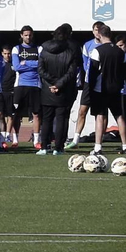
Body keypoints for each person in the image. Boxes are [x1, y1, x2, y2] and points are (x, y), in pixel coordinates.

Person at [36, 23, 81, 155]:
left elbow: (40, 70)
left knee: (47, 119)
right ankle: (58, 148)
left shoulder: (44, 51)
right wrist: (59, 84)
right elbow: (72, 72)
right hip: (64, 89)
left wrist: (53, 83)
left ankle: (44, 146)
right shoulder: (71, 51)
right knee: (62, 118)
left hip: (47, 88)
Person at [85, 24, 126, 156]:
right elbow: (124, 70)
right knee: (119, 117)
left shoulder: (97, 51)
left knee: (100, 117)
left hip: (101, 88)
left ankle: (98, 147)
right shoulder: (120, 51)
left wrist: (90, 87)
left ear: (100, 35)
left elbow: (92, 72)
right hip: (116, 88)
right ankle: (125, 145)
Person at [9, 25, 42, 149]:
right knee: (16, 114)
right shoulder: (16, 49)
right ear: (21, 36)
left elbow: (41, 64)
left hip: (35, 85)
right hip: (20, 85)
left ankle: (36, 141)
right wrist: (32, 64)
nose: (28, 37)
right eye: (26, 35)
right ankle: (15, 139)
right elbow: (17, 67)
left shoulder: (38, 49)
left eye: (30, 35)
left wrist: (27, 62)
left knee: (36, 114)